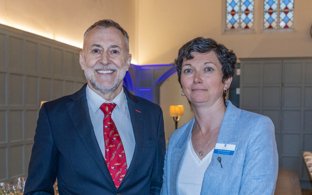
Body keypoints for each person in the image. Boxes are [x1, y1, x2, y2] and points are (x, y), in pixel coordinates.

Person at [24, 19, 166, 194]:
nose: (105, 60)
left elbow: (158, 184)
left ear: (127, 61)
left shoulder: (152, 114)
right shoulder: (54, 115)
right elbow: (37, 189)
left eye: (114, 51)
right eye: (96, 50)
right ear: (83, 60)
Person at [161, 37, 278, 195]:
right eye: (188, 70)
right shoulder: (176, 139)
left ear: (227, 81)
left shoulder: (256, 129)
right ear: (182, 84)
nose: (197, 78)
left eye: (208, 69)